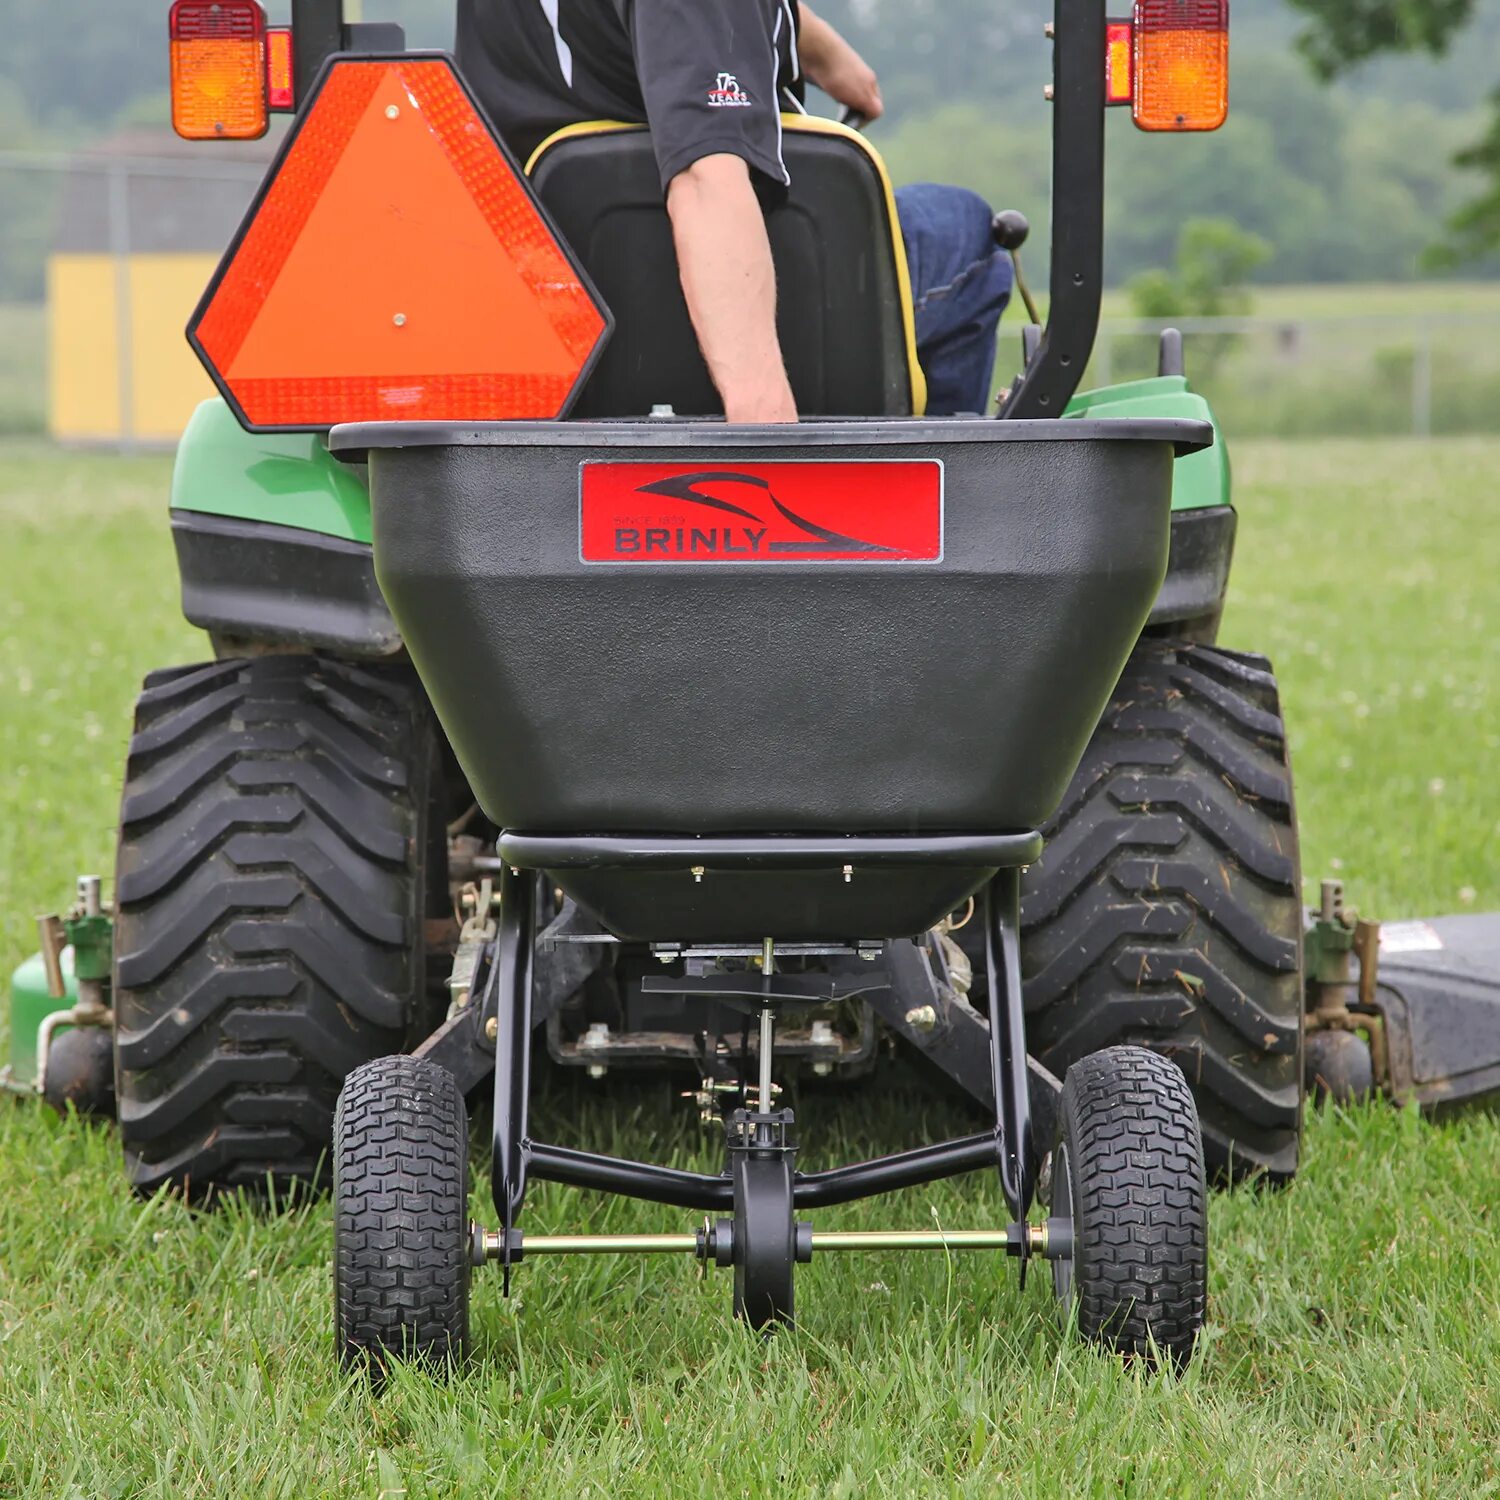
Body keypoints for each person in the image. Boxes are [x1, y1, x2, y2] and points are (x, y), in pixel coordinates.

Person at [456, 0, 1013, 420]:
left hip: (554, 304)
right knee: (965, 233)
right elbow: (706, 179)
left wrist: (817, 47)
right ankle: (923, 523)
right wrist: (764, 433)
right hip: (707, 289)